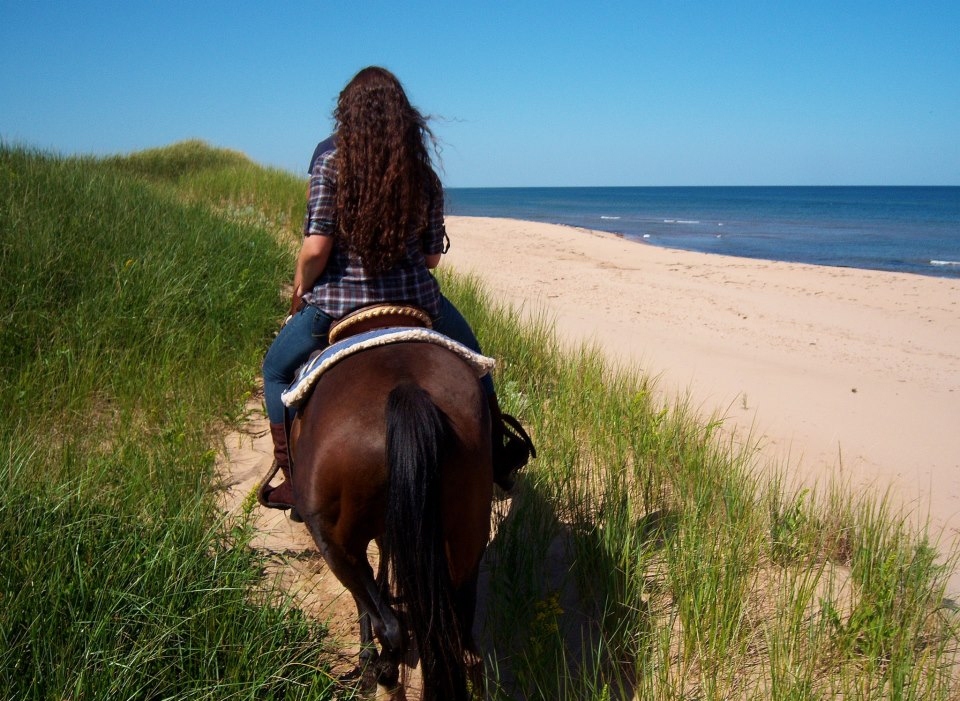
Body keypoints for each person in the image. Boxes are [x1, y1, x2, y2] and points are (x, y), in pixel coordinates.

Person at [258, 66, 534, 512]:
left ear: (347, 115)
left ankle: (291, 478)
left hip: (338, 305)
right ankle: (497, 456)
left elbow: (316, 248)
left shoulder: (329, 162)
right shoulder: (421, 172)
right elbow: (431, 259)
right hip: (415, 301)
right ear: (403, 117)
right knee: (476, 362)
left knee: (274, 371)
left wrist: (301, 286)